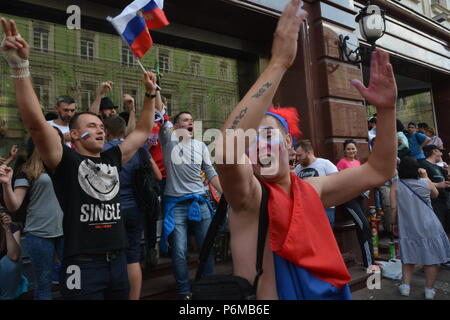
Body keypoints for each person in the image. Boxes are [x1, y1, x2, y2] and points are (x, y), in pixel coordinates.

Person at [215, 0, 397, 300]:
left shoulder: (312, 189)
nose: (258, 144)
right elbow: (226, 150)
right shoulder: (247, 197)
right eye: (250, 139)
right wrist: (278, 63)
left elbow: (380, 169)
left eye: (268, 134)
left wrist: (387, 111)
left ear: (289, 143)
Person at [0, 17, 158, 299]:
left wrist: (150, 93)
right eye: (91, 126)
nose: (99, 130)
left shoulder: (112, 157)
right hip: (83, 267)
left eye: (101, 127)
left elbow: (144, 130)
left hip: (118, 262)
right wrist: (19, 66)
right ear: (74, 135)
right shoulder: (65, 161)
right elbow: (36, 125)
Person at [155, 92, 223, 299]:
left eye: (192, 121)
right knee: (179, 251)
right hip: (175, 205)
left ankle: (207, 286)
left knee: (206, 247)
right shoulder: (168, 142)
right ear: (175, 127)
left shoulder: (201, 146)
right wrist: (156, 91)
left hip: (200, 202)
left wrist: (225, 193)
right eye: (185, 120)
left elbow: (210, 172)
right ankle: (184, 291)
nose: (190, 122)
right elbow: (161, 115)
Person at [103, 115, 162, 300]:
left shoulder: (102, 151)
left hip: (110, 210)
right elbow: (159, 176)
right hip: (135, 208)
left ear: (106, 131)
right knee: (133, 256)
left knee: (111, 255)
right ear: (123, 131)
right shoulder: (138, 150)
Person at [0, 138, 64, 300]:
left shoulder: (67, 167)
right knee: (44, 284)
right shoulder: (27, 170)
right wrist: (7, 185)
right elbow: (14, 205)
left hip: (67, 231)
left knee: (74, 282)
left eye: (59, 140)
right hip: (39, 233)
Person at [392, 156, 450, 299]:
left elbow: (393, 207)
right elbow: (435, 195)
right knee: (431, 258)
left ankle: (405, 286)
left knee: (408, 255)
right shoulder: (425, 182)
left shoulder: (396, 185)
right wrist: (426, 177)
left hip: (407, 225)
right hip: (429, 224)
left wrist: (394, 224)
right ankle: (429, 290)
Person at [336, 140, 374, 268]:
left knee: (362, 227)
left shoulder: (357, 162)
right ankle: (369, 263)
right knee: (364, 226)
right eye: (348, 149)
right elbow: (340, 181)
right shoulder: (342, 163)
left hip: (360, 197)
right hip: (349, 199)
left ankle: (367, 261)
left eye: (353, 149)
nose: (351, 151)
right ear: (344, 151)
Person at [294, 139, 338, 226]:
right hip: (306, 209)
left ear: (309, 152)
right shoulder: (297, 168)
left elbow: (336, 182)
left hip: (325, 207)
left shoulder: (325, 164)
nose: (297, 159)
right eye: (296, 156)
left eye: (300, 155)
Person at [420, 145, 450, 237]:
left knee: (446, 230)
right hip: (434, 203)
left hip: (444, 202)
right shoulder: (423, 164)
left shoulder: (437, 167)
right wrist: (438, 185)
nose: (441, 154)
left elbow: (448, 175)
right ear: (434, 151)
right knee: (438, 231)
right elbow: (420, 182)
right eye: (440, 152)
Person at [0, 211, 24, 300]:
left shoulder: (11, 226)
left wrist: (7, 228)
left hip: (5, 276)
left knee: (11, 263)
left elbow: (14, 256)